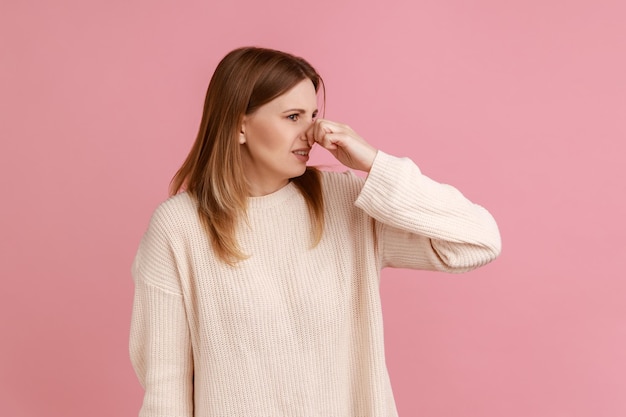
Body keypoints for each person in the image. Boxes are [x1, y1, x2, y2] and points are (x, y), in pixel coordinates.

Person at [129, 46, 501, 417]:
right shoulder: (179, 228)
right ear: (240, 124)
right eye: (293, 116)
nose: (312, 133)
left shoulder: (345, 201)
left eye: (313, 116)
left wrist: (375, 163)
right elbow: (166, 390)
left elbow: (477, 241)